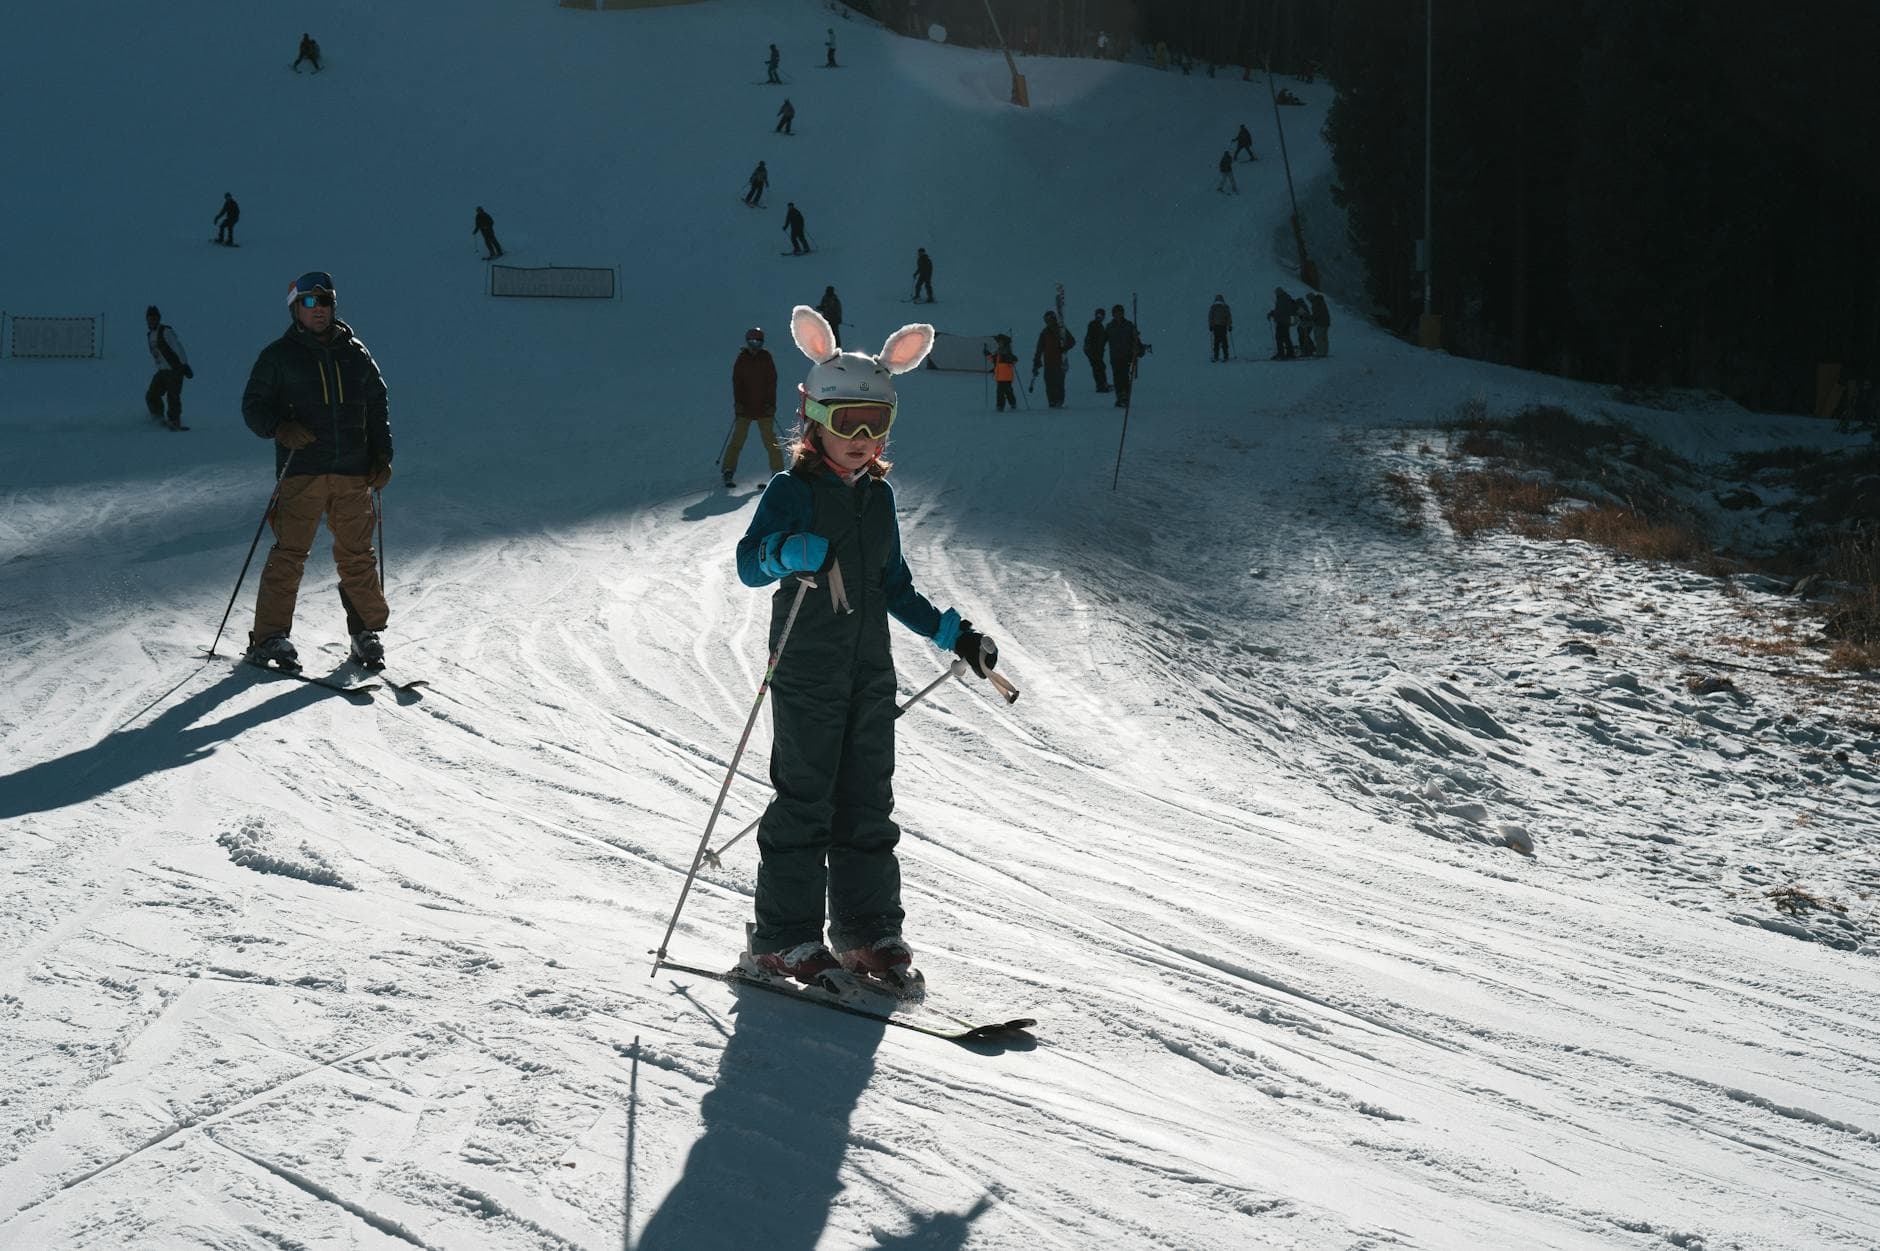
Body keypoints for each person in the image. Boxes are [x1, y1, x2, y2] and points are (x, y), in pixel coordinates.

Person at [733, 303, 998, 988]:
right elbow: (748, 562)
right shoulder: (792, 490)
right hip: (807, 667)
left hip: (868, 673)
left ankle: (865, 928)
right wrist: (786, 549)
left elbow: (894, 586)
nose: (860, 436)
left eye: (874, 422)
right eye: (846, 420)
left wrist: (954, 634)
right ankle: (782, 934)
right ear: (814, 419)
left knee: (867, 802)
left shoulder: (877, 499)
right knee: (805, 800)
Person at [240, 271, 393, 673]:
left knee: (358, 555)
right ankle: (269, 636)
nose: (318, 309)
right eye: (308, 302)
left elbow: (377, 406)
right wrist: (280, 428)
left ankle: (364, 635)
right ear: (295, 309)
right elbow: (253, 407)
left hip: (352, 472)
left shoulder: (355, 353)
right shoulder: (278, 356)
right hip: (302, 471)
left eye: (324, 301)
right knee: (289, 554)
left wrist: (382, 458)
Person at [724, 326, 783, 488]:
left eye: (757, 341)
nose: (754, 345)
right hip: (746, 407)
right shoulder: (742, 359)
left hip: (764, 408)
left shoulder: (766, 358)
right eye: (751, 341)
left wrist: (771, 404)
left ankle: (778, 472)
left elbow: (772, 383)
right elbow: (737, 383)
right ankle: (728, 470)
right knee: (738, 439)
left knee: (770, 440)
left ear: (762, 343)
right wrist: (738, 403)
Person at [144, 305, 192, 430]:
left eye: (154, 319)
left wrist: (184, 365)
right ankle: (158, 418)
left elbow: (178, 348)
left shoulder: (165, 331)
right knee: (152, 395)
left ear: (158, 319)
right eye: (149, 319)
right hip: (162, 370)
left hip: (174, 369)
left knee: (173, 395)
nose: (151, 321)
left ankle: (174, 421)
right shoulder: (150, 335)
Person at [1031, 311, 1075, 408]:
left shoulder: (1062, 330)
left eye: (1050, 320)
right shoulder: (1044, 333)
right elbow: (1039, 348)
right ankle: (1052, 401)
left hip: (1060, 362)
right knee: (1049, 382)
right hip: (1048, 362)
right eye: (1047, 321)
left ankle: (1059, 401)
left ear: (1054, 320)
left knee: (1059, 382)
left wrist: (1064, 347)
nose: (1049, 322)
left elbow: (1072, 341)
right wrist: (1036, 362)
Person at [1106, 303, 1139, 407]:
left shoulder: (1129, 325)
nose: (1118, 315)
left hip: (1126, 355)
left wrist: (1138, 349)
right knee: (1117, 377)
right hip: (1115, 356)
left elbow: (1136, 340)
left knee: (1124, 376)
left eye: (1120, 313)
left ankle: (1125, 397)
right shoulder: (1110, 326)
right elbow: (1102, 339)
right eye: (1116, 313)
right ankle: (1120, 397)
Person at [986, 333, 1019, 411]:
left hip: (1005, 376)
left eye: (1000, 341)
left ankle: (1000, 406)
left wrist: (1010, 360)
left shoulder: (1006, 351)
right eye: (998, 342)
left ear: (1004, 342)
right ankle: (1012, 403)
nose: (999, 343)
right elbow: (994, 360)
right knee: (1007, 391)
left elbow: (1014, 360)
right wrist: (988, 354)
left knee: (1001, 391)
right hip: (1001, 376)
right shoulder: (999, 351)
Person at [1084, 307, 1109, 392]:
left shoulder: (1100, 326)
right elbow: (1091, 338)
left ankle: (1103, 384)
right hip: (1093, 350)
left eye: (1101, 315)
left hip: (1098, 351)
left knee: (1101, 366)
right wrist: (1091, 348)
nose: (1099, 317)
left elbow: (1103, 338)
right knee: (1097, 367)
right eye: (1098, 315)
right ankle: (1101, 386)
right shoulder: (1093, 324)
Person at [1266, 286, 1296, 359]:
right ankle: (1290, 353)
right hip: (1285, 320)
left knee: (1279, 337)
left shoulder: (1282, 299)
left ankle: (1281, 353)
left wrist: (1272, 314)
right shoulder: (1285, 298)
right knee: (1286, 337)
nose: (1276, 294)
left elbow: (1280, 310)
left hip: (1282, 321)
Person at [1208, 294, 1233, 361]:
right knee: (1223, 340)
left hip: (1216, 326)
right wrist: (1229, 325)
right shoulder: (1225, 307)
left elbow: (1210, 317)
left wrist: (1211, 325)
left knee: (1217, 341)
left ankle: (1216, 356)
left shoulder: (1213, 307)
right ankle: (1225, 355)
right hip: (1223, 326)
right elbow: (1228, 317)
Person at [1308, 291, 1331, 357]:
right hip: (1326, 322)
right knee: (1324, 338)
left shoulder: (1316, 303)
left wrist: (1310, 317)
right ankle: (1324, 352)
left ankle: (1320, 353)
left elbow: (1316, 314)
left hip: (1320, 323)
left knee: (1319, 338)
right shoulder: (1320, 301)